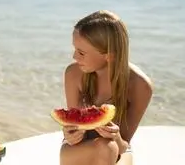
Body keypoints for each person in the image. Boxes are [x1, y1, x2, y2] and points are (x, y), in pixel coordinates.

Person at [59, 10, 153, 165]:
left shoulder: (140, 85)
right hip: (76, 147)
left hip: (117, 149)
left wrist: (115, 136)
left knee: (107, 147)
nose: (74, 57)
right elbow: (73, 129)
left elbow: (123, 145)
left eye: (81, 53)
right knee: (105, 147)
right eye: (75, 49)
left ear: (109, 55)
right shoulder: (73, 73)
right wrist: (70, 134)